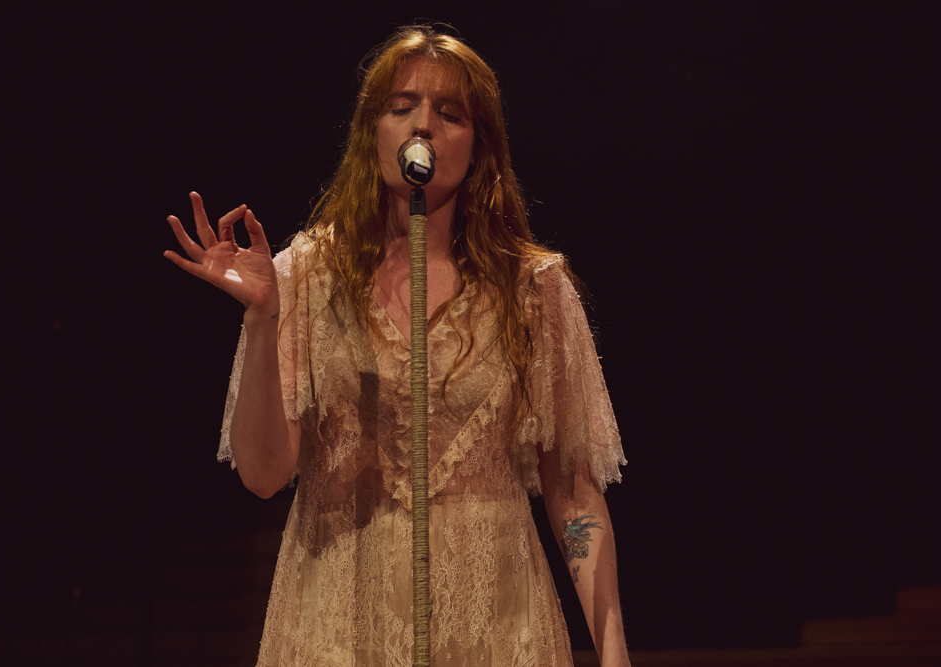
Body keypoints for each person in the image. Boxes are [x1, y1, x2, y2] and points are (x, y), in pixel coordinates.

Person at [164, 25, 629, 667]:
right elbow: (264, 475)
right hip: (335, 628)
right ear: (372, 131)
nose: (423, 126)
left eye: (449, 112)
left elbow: (574, 492)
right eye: (401, 105)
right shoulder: (305, 275)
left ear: (479, 144)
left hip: (497, 630)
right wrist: (264, 319)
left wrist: (612, 653)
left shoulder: (535, 288)